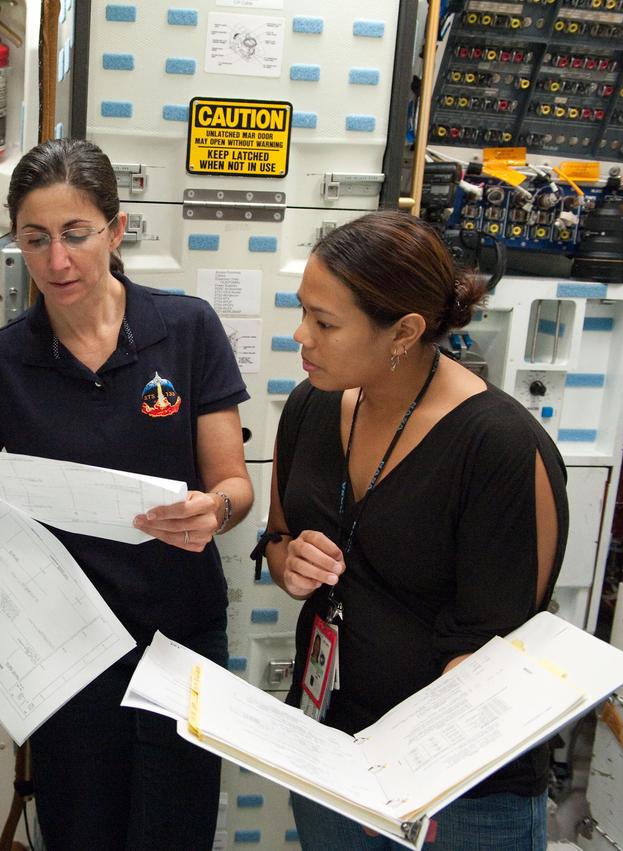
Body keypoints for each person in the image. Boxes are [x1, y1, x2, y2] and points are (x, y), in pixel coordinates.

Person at [0, 137, 254, 850]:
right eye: (35, 241)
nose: (57, 262)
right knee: (82, 832)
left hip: (179, 633)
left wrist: (213, 509)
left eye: (75, 235)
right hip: (63, 648)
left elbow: (234, 486)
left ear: (116, 229)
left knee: (174, 831)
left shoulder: (185, 330)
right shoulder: (1, 363)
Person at [263, 210, 567, 850]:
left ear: (403, 331)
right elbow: (279, 537)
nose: (301, 337)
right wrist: (290, 563)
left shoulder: (501, 448)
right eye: (303, 312)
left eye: (324, 323)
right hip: (330, 747)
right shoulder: (311, 404)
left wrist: (406, 766)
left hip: (461, 791)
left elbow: (494, 650)